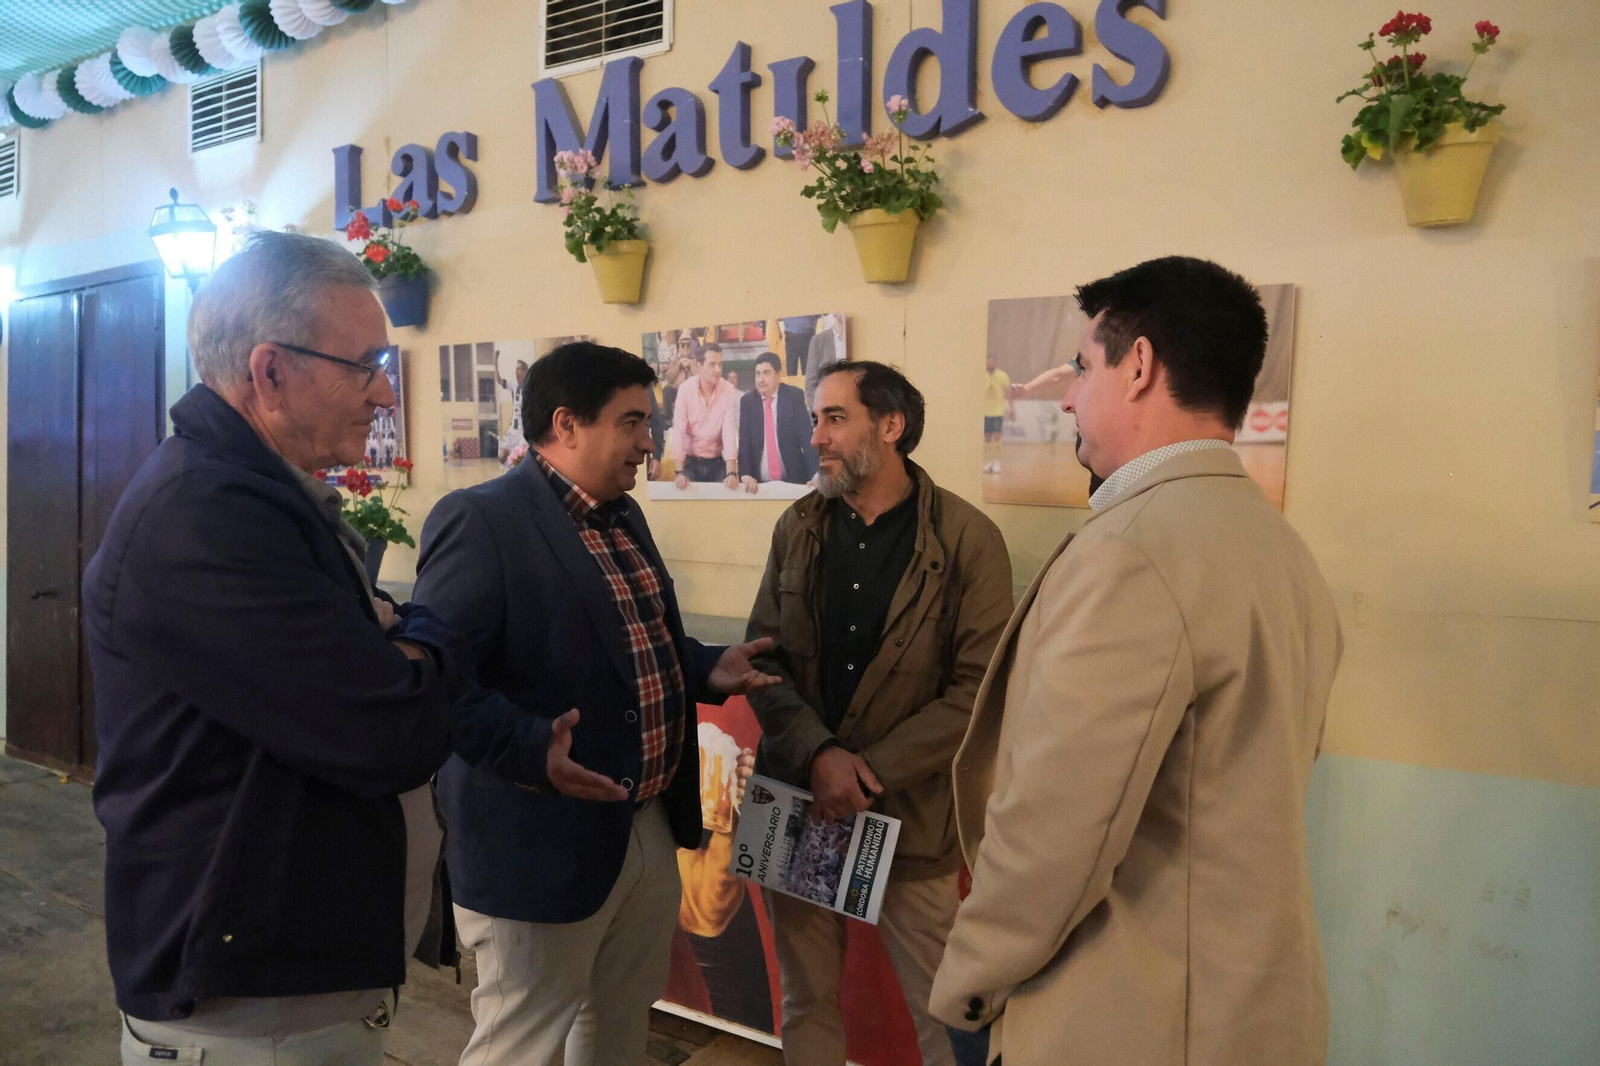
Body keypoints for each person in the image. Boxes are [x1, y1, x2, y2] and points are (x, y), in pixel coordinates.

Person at [930, 257, 1343, 1066]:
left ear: (1141, 366)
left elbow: (1055, 827)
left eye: (1084, 368)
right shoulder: (1277, 546)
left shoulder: (1133, 553)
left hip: (1129, 1013)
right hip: (1244, 1004)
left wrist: (969, 986)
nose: (1070, 394)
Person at [83, 231, 472, 1066]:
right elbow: (387, 732)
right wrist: (428, 638)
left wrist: (398, 645)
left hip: (290, 995)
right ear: (269, 371)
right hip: (244, 1016)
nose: (383, 395)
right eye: (364, 365)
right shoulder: (206, 516)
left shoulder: (258, 497)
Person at [410, 342, 781, 1066]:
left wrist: (709, 668)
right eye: (633, 422)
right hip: (537, 837)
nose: (651, 441)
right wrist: (529, 746)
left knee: (616, 1029)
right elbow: (440, 685)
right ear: (566, 425)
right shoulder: (481, 521)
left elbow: (635, 649)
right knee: (522, 1043)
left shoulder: (622, 516)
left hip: (640, 824)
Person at [745, 361, 1014, 1066]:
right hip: (798, 797)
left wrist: (864, 772)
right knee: (804, 1001)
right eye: (815, 420)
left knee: (949, 1012)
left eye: (835, 418)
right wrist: (821, 757)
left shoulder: (969, 540)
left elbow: (981, 688)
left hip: (915, 817)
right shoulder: (797, 526)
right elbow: (761, 661)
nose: (817, 438)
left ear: (891, 427)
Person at [733, 351, 818, 493]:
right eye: (757, 374)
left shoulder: (793, 396)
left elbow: (806, 437)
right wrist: (746, 475)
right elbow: (744, 442)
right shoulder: (748, 401)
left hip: (793, 480)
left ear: (778, 374)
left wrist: (816, 474)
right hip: (759, 484)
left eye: (766, 373)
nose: (761, 379)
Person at [671, 342, 741, 488]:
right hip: (691, 461)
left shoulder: (728, 390)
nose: (718, 370)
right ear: (699, 366)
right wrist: (678, 472)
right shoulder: (685, 389)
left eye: (720, 365)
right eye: (712, 364)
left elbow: (729, 432)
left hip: (718, 462)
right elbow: (679, 431)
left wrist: (731, 473)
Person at [803, 313, 847, 411]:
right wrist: (817, 414)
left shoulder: (858, 337)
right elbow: (810, 383)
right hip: (827, 408)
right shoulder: (819, 340)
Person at [982, 353, 1012, 474]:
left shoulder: (1002, 375)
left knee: (997, 436)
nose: (990, 363)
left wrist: (1012, 408)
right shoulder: (981, 375)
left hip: (997, 411)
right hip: (985, 412)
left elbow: (1008, 393)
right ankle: (988, 461)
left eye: (992, 361)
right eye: (988, 361)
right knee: (987, 438)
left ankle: (996, 461)